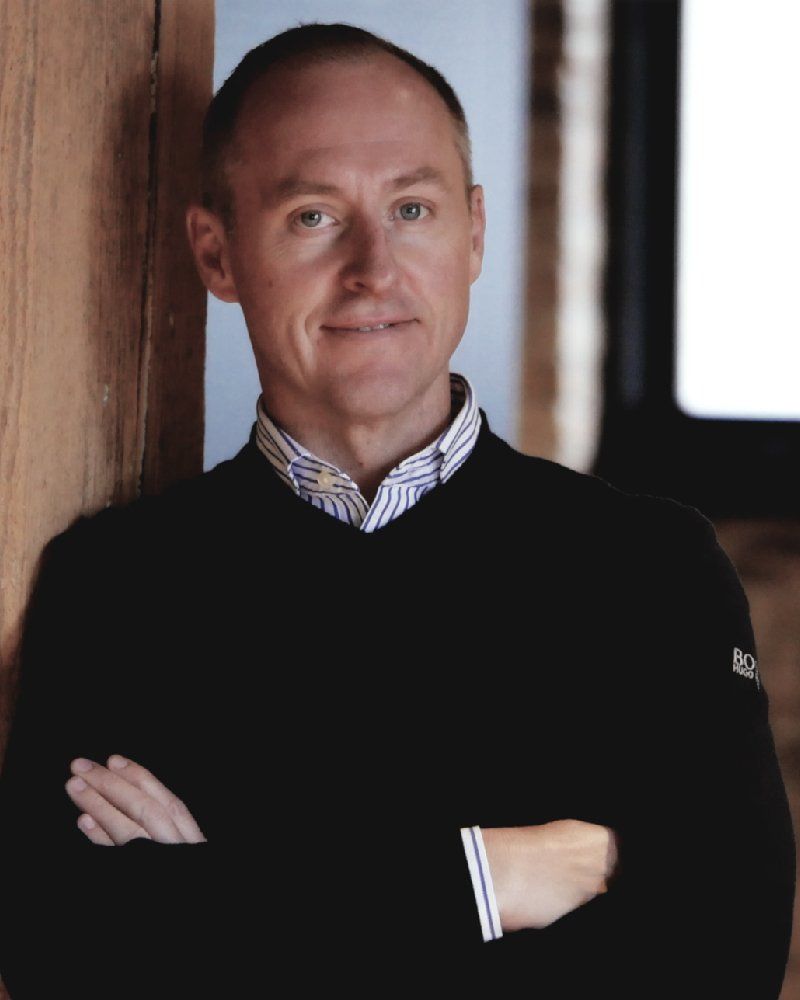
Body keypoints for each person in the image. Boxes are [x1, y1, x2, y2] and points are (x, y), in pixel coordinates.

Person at [0, 21, 794, 999]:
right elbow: (64, 954)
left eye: (411, 208)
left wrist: (214, 897)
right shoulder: (114, 582)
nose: (373, 267)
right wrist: (493, 878)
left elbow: (717, 954)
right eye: (312, 217)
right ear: (215, 253)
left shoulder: (650, 565)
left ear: (473, 232)